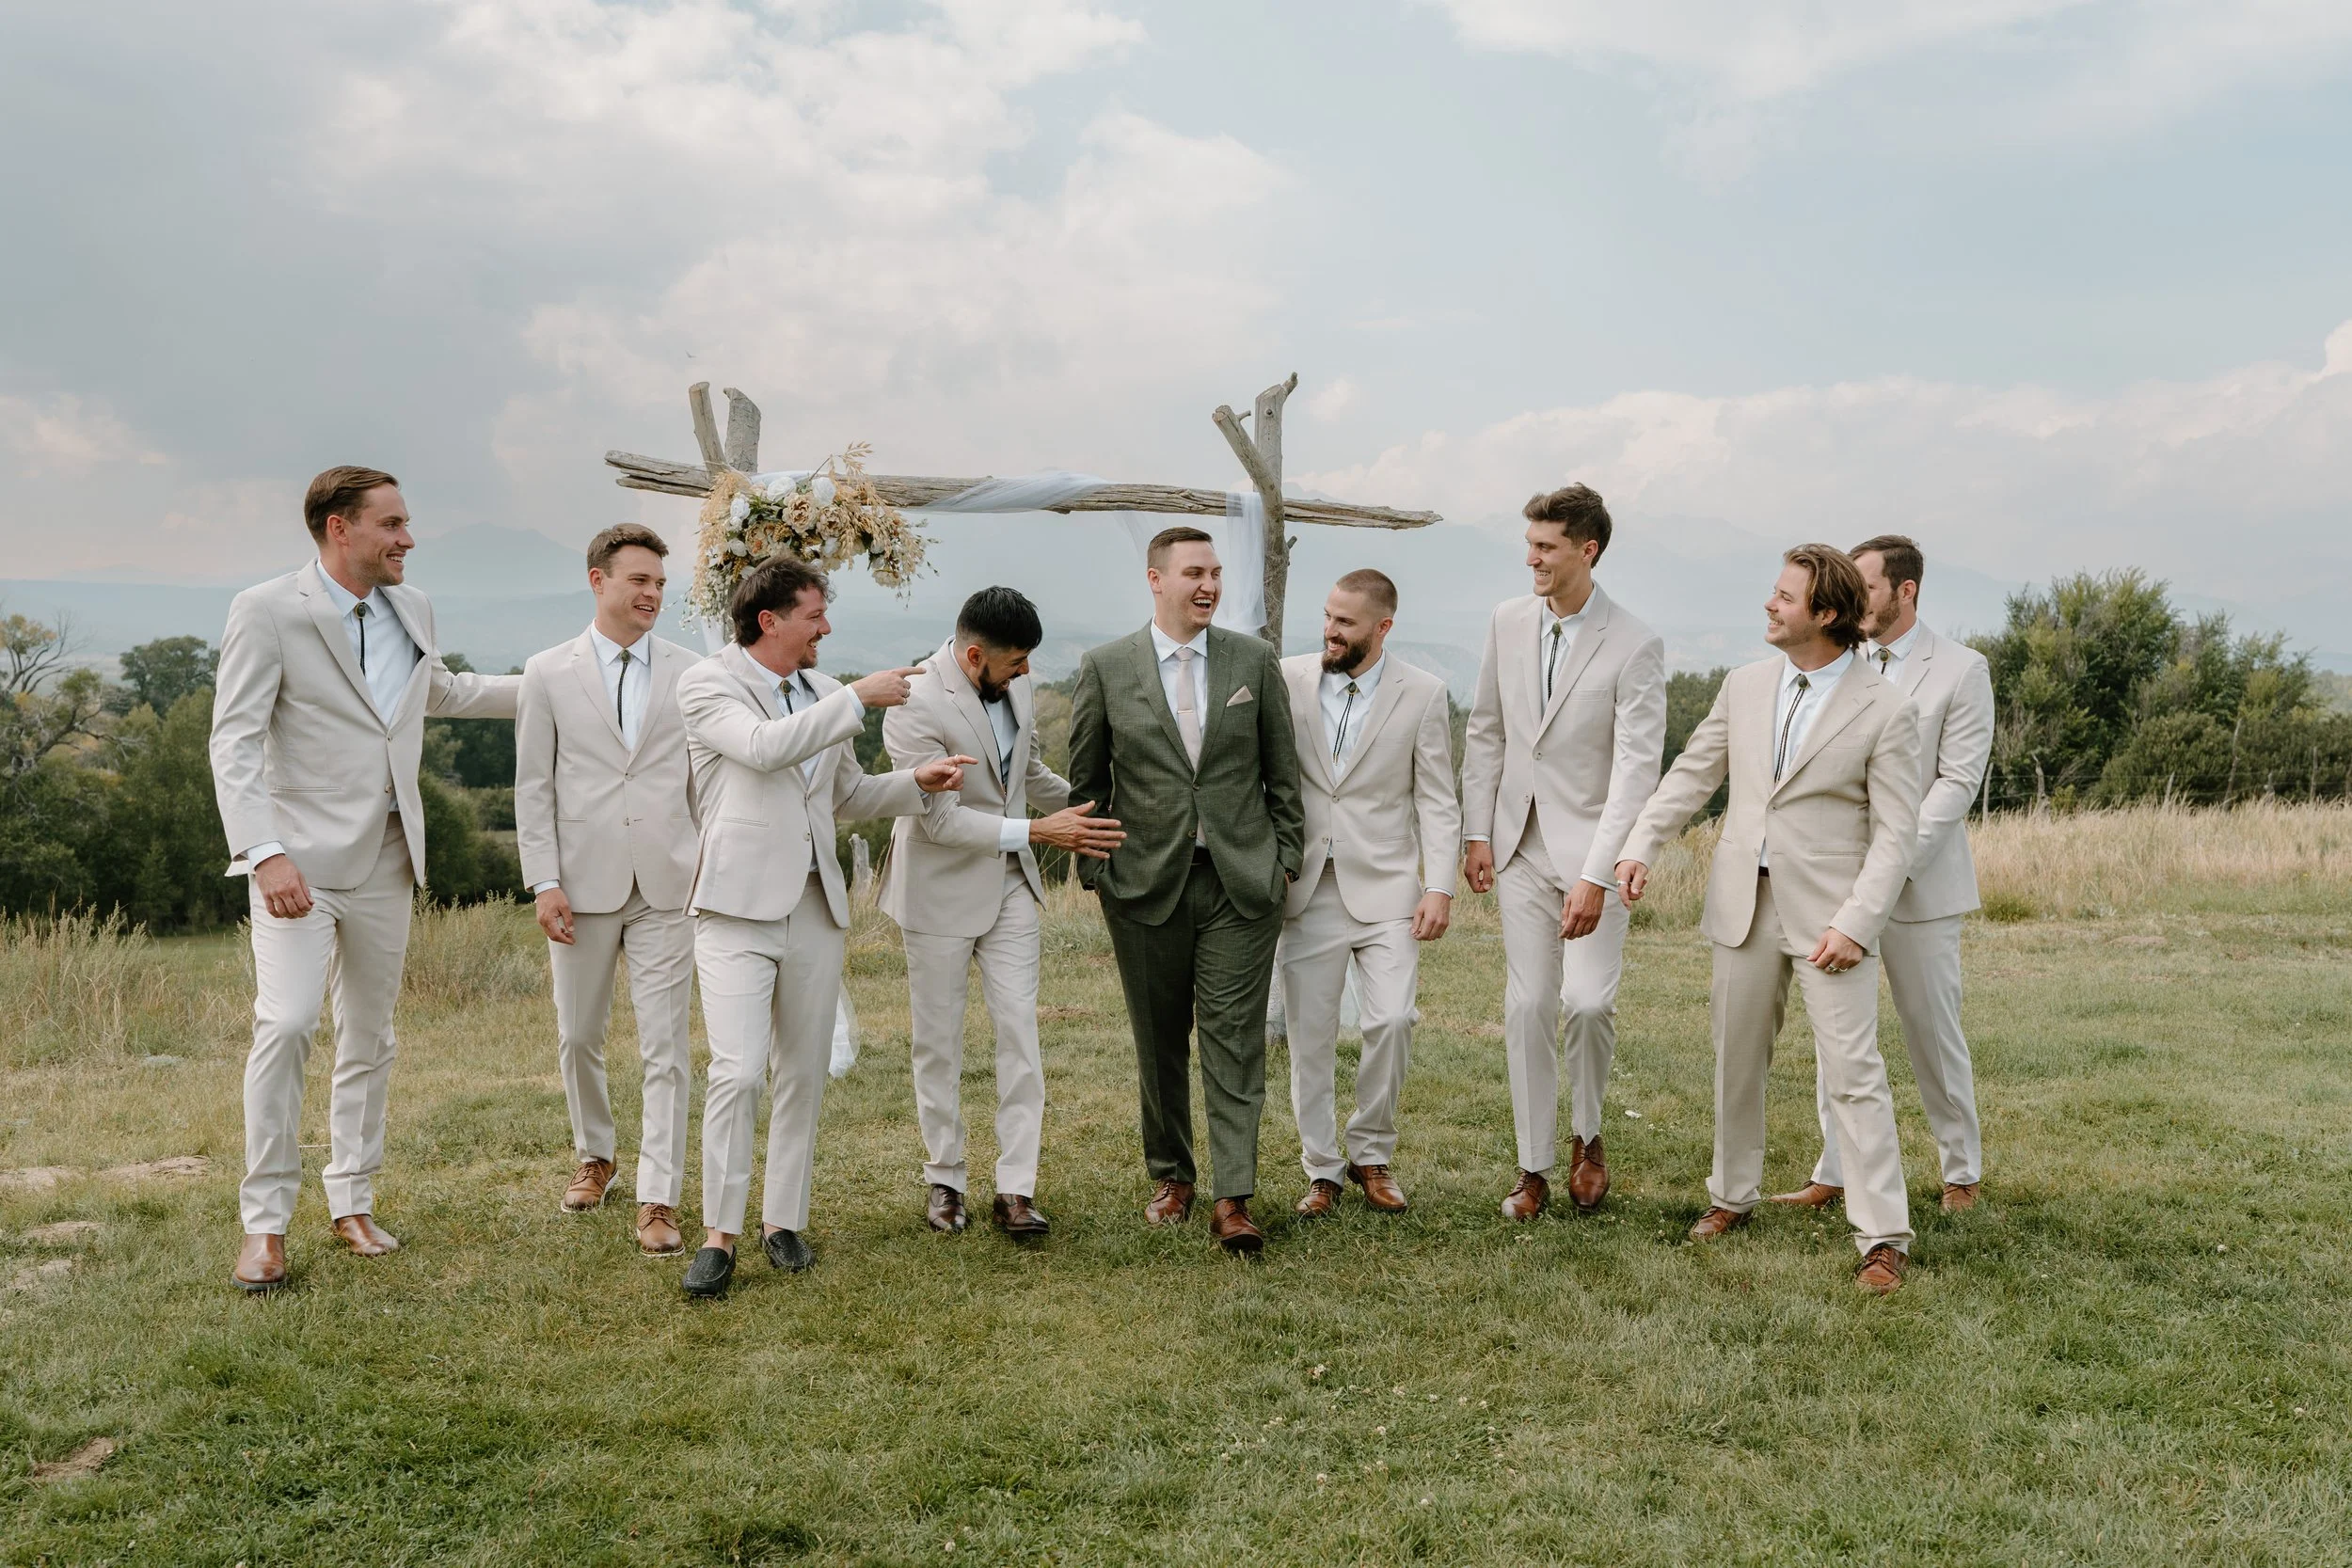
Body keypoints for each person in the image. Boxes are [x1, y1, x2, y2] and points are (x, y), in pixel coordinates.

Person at [210, 466, 519, 1291]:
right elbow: (234, 741)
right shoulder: (267, 609)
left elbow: (439, 692)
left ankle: (352, 1198)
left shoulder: (410, 607)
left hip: (390, 857)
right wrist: (262, 851)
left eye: (406, 522)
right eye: (392, 524)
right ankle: (265, 1224)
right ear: (339, 529)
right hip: (295, 865)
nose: (408, 539)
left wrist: (566, 687)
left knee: (371, 1036)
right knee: (286, 1023)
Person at [1615, 544, 1925, 1294]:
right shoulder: (1745, 684)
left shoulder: (1885, 706)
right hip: (1742, 902)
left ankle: (1883, 1234)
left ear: (1826, 614)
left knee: (1854, 1072)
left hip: (1831, 918)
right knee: (1736, 1057)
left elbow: (1896, 832)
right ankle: (1731, 1195)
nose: (1769, 605)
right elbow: (1694, 772)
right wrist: (1639, 843)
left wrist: (1856, 921)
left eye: (1785, 597)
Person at [672, 556, 969, 1298]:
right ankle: (719, 1236)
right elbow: (765, 749)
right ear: (769, 621)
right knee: (737, 1071)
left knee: (801, 1071)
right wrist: (860, 700)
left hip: (815, 905)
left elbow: (845, 794)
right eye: (814, 615)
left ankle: (784, 1222)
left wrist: (914, 784)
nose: (826, 628)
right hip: (736, 905)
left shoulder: (823, 692)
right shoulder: (709, 683)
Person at [1067, 527, 1304, 1253]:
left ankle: (1234, 1197)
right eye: (1194, 572)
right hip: (1141, 886)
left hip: (1241, 885)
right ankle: (1172, 1174)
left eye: (1216, 573)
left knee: (1234, 1041)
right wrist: (1098, 872)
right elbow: (1086, 784)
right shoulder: (1105, 667)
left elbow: (1282, 775)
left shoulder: (1252, 662)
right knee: (1158, 1039)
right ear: (1155, 579)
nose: (1209, 585)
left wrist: (1283, 860)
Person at [877, 586, 1125, 1239]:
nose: (1025, 674)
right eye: (1015, 663)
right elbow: (938, 821)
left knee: (1020, 1030)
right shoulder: (912, 703)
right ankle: (946, 1179)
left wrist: (1102, 811)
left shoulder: (1010, 686)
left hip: (1011, 886)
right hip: (938, 890)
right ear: (973, 654)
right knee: (939, 1040)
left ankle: (1016, 1187)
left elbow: (1030, 775)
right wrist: (1041, 834)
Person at [1458, 484, 1666, 1219]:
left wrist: (1595, 873)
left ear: (1588, 549)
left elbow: (1637, 770)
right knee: (1529, 1003)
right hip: (1516, 844)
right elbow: (1486, 729)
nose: (1532, 558)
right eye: (1530, 544)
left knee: (1587, 1000)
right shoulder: (1505, 622)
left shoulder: (1635, 642)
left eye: (1546, 546)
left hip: (1593, 855)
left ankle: (1588, 1133)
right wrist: (1476, 831)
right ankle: (1533, 1165)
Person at [1774, 534, 1994, 1216]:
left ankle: (1961, 1170)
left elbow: (1956, 784)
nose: (1854, 597)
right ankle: (1834, 1169)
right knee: (1836, 1035)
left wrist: (1891, 868)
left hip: (1919, 888)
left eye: (1866, 585)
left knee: (1931, 1029)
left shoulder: (1961, 670)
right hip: (1837, 884)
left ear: (1906, 591)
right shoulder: (1838, 665)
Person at [514, 523, 699, 1256]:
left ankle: (660, 1196)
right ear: (599, 581)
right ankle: (597, 1155)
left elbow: (701, 777)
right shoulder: (546, 671)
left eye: (659, 581)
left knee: (666, 1045)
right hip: (579, 885)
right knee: (579, 1033)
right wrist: (544, 880)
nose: (653, 593)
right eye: (639, 581)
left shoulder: (692, 669)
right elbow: (533, 785)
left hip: (667, 884)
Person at [1278, 569, 1459, 1217]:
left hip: (1388, 888)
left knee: (1391, 1019)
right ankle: (1321, 1168)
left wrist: (1439, 884)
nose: (1330, 629)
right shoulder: (1287, 678)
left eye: (1346, 622)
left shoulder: (1424, 693)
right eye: (1328, 616)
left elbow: (1438, 799)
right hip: (1304, 888)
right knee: (1311, 1035)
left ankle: (1372, 1151)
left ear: (1382, 627)